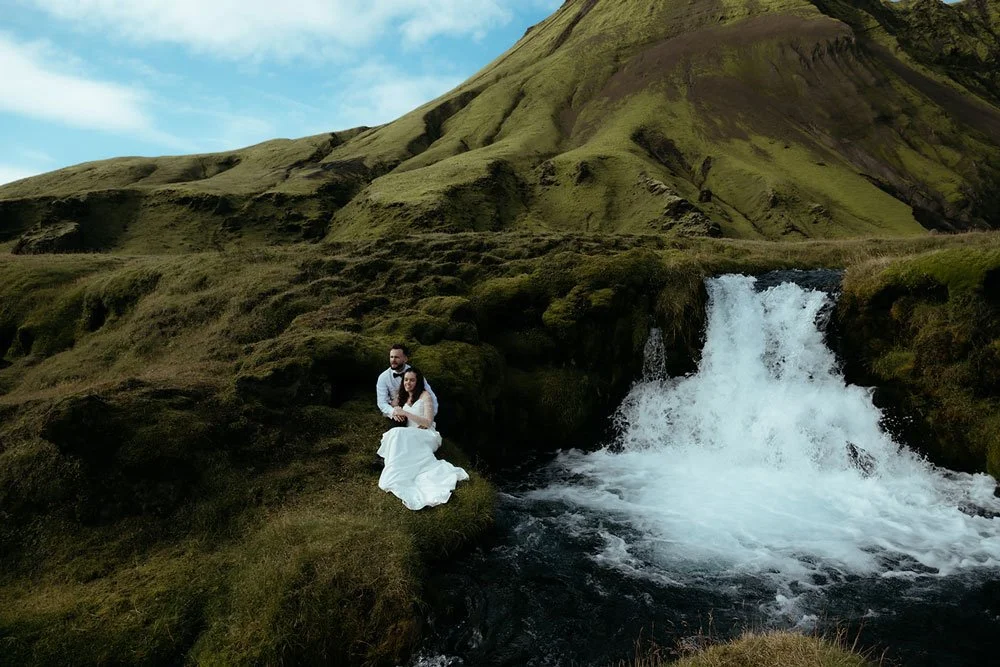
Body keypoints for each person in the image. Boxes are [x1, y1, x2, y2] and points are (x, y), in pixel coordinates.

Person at [377, 367, 469, 510]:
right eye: (406, 380)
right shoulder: (401, 396)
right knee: (394, 433)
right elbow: (391, 410)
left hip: (427, 433)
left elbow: (427, 421)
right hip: (411, 433)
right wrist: (396, 413)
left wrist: (407, 414)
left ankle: (398, 471)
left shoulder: (425, 395)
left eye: (412, 380)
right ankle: (396, 471)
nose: (408, 383)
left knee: (397, 434)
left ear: (418, 382)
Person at [376, 343, 438, 427]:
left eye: (397, 357)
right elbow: (382, 402)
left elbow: (430, 395)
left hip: (416, 410)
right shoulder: (383, 377)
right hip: (396, 411)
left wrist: (429, 418)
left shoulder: (415, 374)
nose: (393, 360)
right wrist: (394, 412)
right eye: (391, 357)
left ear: (405, 359)